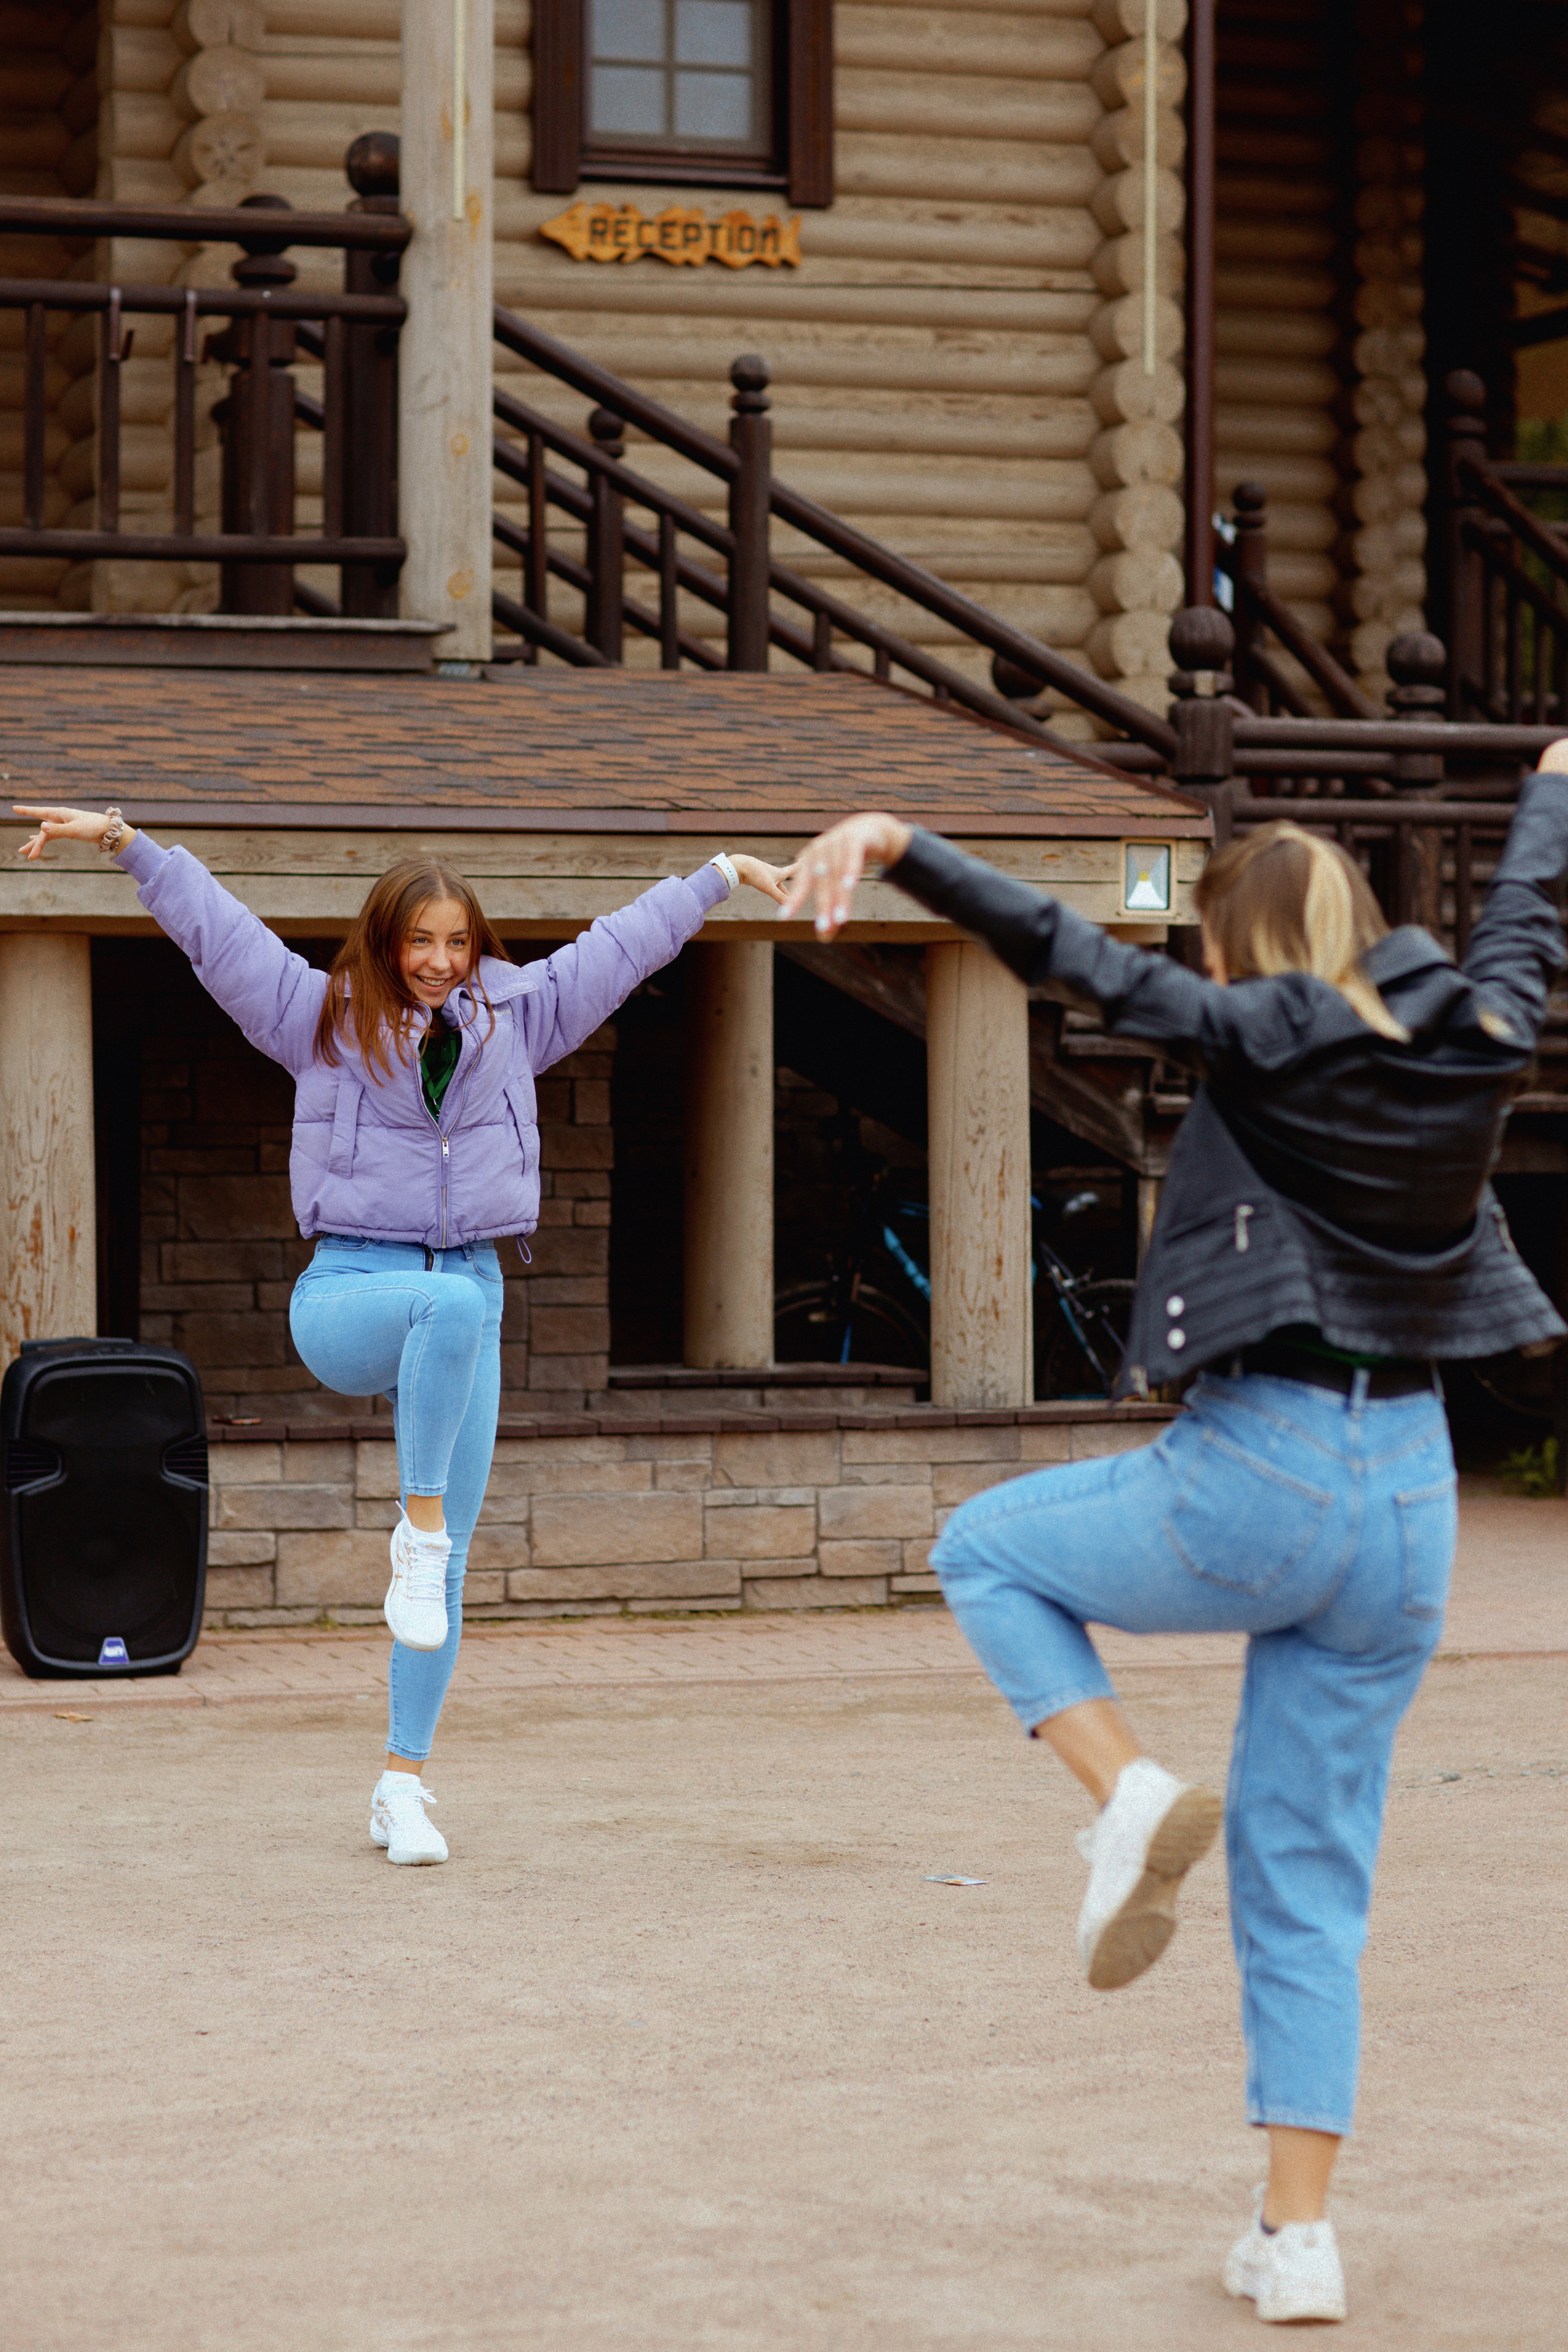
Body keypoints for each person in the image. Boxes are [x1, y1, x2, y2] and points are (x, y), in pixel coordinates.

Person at [780, 752, 1568, 2328]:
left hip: (1265, 1469)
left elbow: (1076, 958)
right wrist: (1551, 792)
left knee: (988, 1552)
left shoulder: (1260, 1031)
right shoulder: (1478, 1030)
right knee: (1305, 1881)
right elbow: (1525, 923)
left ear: (1240, 950)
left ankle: (1124, 1791)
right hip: (1410, 1496)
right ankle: (1296, 2240)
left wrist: (905, 843)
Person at [17, 801, 791, 1868]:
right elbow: (222, 936)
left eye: (456, 942)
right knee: (453, 1324)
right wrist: (127, 845)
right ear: (385, 943)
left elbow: (619, 947)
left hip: (465, 1302)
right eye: (418, 941)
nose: (438, 961)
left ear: (477, 948)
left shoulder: (521, 1016)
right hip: (349, 1293)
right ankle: (413, 1536)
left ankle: (402, 1784)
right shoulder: (320, 1020)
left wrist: (718, 871)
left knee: (452, 1533)